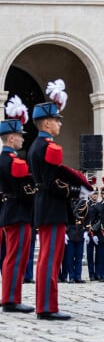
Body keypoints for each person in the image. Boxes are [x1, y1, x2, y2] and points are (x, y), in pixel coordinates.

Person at [28, 81, 92, 320]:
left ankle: (47, 304)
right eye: (57, 119)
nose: (60, 123)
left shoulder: (37, 146)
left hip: (45, 207)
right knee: (50, 257)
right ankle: (46, 306)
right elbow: (54, 182)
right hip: (52, 207)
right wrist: (78, 190)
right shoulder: (48, 147)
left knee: (49, 256)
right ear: (46, 122)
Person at [0, 97, 36, 314]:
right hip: (18, 213)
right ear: (11, 137)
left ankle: (8, 297)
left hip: (7, 212)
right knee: (16, 256)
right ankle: (11, 299)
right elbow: (26, 191)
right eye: (20, 136)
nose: (23, 140)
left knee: (10, 256)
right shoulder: (15, 162)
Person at [65, 195, 89, 283]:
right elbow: (65, 219)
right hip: (70, 233)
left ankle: (78, 276)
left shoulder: (83, 203)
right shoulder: (68, 204)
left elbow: (87, 218)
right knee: (70, 258)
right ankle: (71, 276)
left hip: (80, 233)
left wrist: (86, 231)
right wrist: (65, 232)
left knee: (79, 257)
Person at [93, 178, 104, 282]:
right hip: (100, 233)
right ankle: (100, 274)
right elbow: (94, 220)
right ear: (101, 194)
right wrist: (94, 234)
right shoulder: (97, 206)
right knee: (100, 256)